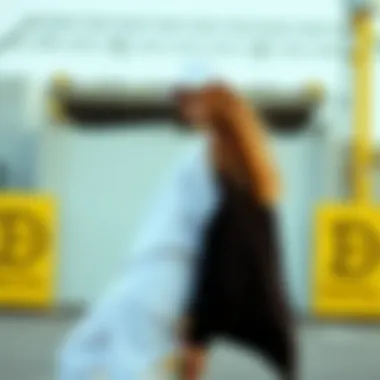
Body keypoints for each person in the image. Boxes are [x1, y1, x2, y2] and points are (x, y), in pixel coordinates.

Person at [57, 133, 221, 380]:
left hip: (162, 272)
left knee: (131, 362)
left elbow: (215, 245)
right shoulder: (202, 160)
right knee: (79, 353)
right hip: (149, 273)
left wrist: (198, 329)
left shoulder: (205, 161)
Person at [177, 83, 296, 380]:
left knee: (190, 357)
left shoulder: (216, 165)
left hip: (221, 282)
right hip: (256, 293)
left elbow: (213, 240)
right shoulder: (256, 171)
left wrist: (196, 310)